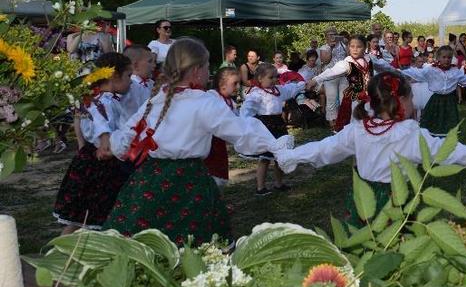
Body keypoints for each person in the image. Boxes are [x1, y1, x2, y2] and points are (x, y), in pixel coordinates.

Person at [108, 38, 291, 244]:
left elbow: (123, 141)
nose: (208, 72)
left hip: (150, 180)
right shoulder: (203, 102)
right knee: (195, 244)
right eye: (206, 66)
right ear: (197, 69)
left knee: (148, 242)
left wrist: (113, 144)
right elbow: (241, 132)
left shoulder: (158, 98)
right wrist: (278, 147)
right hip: (189, 182)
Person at [274, 72, 466, 227]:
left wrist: (291, 155)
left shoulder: (360, 129)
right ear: (402, 100)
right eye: (411, 98)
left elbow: (324, 149)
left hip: (362, 199)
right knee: (395, 248)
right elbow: (448, 151)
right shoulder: (408, 133)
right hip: (396, 201)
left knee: (364, 246)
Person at [53, 52, 134, 233]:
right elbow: (100, 121)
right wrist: (105, 139)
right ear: (114, 76)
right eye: (128, 75)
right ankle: (64, 250)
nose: (131, 81)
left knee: (81, 215)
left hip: (90, 156)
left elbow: (78, 119)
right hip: (101, 162)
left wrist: (81, 144)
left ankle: (62, 249)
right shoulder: (101, 101)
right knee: (91, 212)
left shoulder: (94, 99)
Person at [375, 45, 466, 135]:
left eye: (449, 57)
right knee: (432, 123)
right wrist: (393, 69)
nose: (446, 60)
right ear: (438, 57)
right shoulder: (432, 70)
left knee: (449, 124)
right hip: (436, 100)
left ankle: (449, 142)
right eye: (444, 57)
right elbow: (414, 73)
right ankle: (432, 140)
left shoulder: (455, 71)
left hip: (449, 101)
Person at [241, 62, 305, 195]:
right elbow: (247, 108)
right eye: (271, 77)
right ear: (260, 78)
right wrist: (244, 123)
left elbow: (290, 89)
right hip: (265, 126)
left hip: (279, 124)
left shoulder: (278, 90)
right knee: (264, 158)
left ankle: (279, 183)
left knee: (280, 156)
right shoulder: (256, 93)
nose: (274, 80)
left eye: (275, 77)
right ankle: (260, 187)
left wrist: (303, 84)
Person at [312, 35, 374, 131]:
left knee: (370, 120)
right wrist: (316, 79)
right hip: (354, 99)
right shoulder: (347, 63)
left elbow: (384, 66)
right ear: (348, 47)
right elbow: (331, 72)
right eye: (352, 46)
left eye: (359, 46)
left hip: (369, 96)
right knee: (355, 123)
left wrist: (399, 72)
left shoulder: (369, 59)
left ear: (365, 47)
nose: (355, 49)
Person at [204, 67, 240, 188]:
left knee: (219, 173)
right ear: (222, 84)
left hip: (219, 144)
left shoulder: (230, 102)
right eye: (234, 83)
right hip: (208, 143)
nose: (238, 87)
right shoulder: (211, 98)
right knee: (209, 175)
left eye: (238, 83)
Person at [120, 44, 157, 118]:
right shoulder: (128, 86)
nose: (154, 65)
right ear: (135, 65)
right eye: (150, 61)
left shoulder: (151, 83)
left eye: (154, 61)